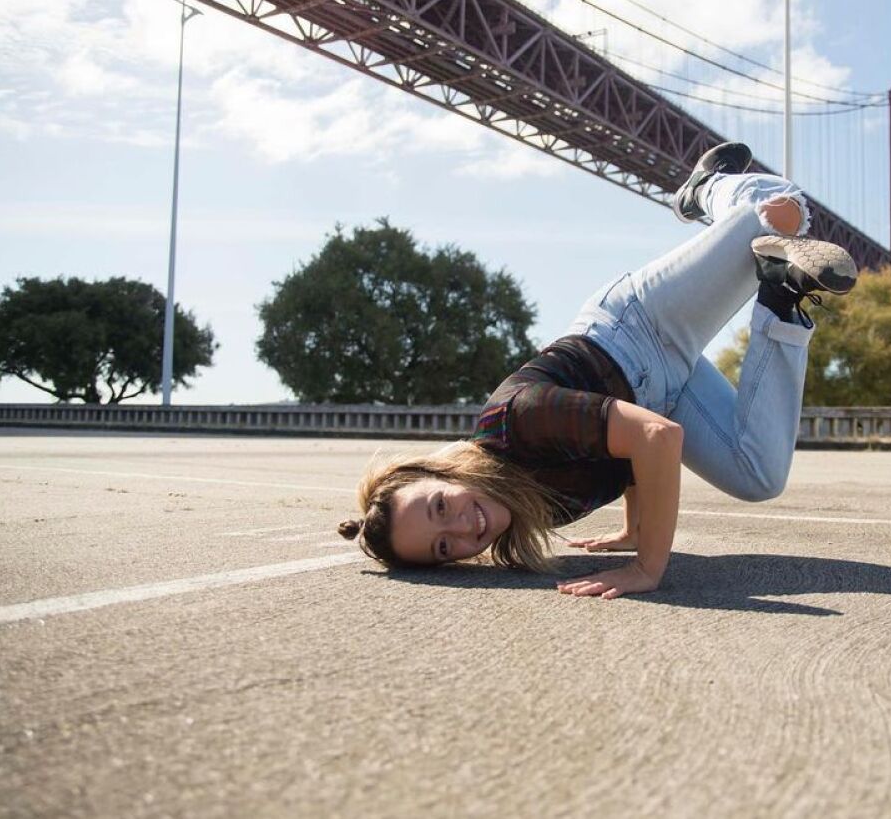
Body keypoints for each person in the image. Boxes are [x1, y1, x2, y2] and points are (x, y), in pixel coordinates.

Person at [339, 143, 857, 599]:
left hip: (641, 326)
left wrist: (646, 566)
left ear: (440, 472)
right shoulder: (525, 508)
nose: (460, 528)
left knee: (780, 209)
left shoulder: (516, 420)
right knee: (759, 476)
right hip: (663, 391)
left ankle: (709, 188)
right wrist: (635, 528)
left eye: (439, 508)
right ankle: (781, 297)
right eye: (443, 547)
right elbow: (622, 442)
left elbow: (653, 437)